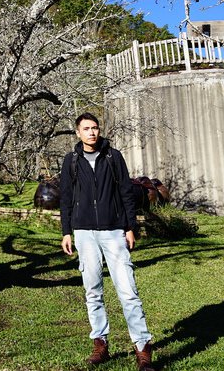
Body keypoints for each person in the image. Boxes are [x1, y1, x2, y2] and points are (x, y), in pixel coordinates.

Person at [59, 113, 154, 370]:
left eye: (95, 127)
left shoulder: (114, 157)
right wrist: (66, 231)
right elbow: (66, 198)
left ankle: (142, 347)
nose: (92, 132)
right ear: (78, 132)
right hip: (84, 233)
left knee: (128, 292)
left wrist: (130, 227)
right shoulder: (71, 161)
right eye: (86, 128)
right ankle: (100, 343)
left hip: (113, 231)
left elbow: (126, 192)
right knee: (93, 291)